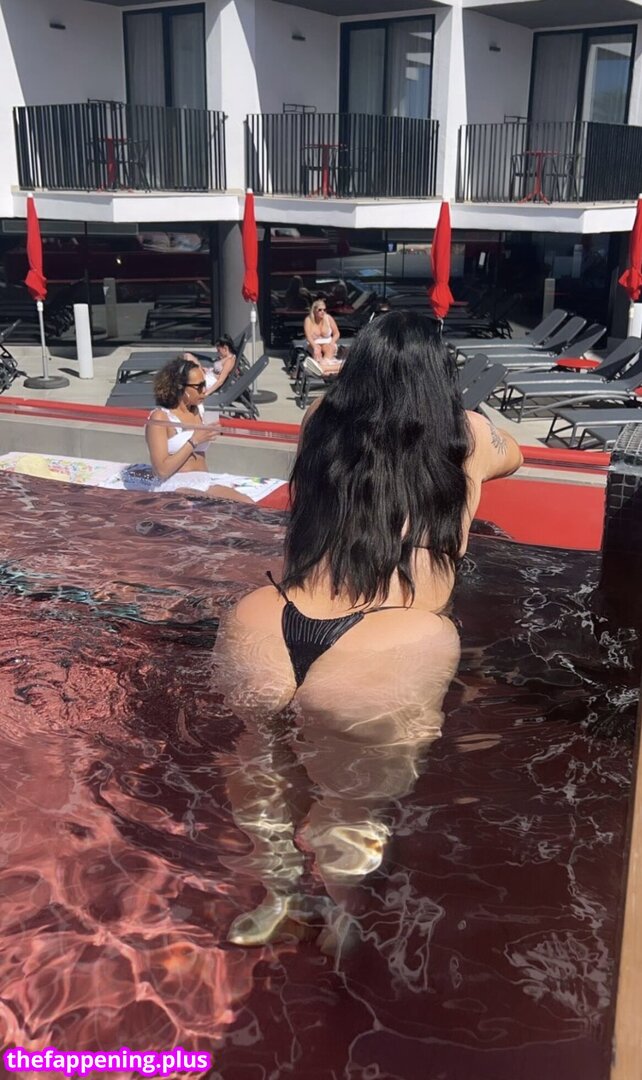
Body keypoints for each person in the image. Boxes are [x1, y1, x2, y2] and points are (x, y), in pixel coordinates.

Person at [217, 310, 523, 944]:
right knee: (353, 804)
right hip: (391, 639)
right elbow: (513, 456)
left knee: (262, 766)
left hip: (268, 620)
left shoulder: (318, 419)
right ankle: (344, 918)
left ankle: (278, 898)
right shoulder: (465, 433)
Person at [145, 356, 251, 500]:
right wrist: (194, 440)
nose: (204, 390)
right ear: (180, 387)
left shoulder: (198, 410)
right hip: (174, 485)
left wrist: (213, 431)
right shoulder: (161, 417)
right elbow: (161, 470)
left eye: (205, 384)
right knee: (205, 504)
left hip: (203, 483)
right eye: (199, 386)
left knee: (247, 503)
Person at [303, 299, 342, 374]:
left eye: (324, 310)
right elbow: (308, 337)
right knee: (317, 351)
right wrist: (314, 346)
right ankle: (330, 369)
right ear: (314, 310)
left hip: (327, 342)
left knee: (329, 349)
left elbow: (337, 333)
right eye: (320, 310)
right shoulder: (308, 320)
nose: (322, 312)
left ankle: (323, 368)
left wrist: (332, 342)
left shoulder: (328, 318)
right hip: (313, 342)